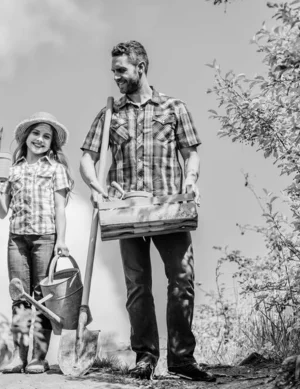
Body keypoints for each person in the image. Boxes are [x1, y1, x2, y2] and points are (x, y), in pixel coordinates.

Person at [79, 40, 214, 382]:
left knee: (181, 280)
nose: (116, 77)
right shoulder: (110, 114)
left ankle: (182, 359)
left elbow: (191, 152)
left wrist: (192, 180)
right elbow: (87, 158)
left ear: (141, 67)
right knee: (138, 286)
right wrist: (96, 188)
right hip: (126, 211)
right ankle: (145, 357)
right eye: (113, 71)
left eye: (121, 70)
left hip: (169, 207)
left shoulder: (174, 107)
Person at [0, 112, 73, 374]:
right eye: (36, 133)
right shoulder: (13, 171)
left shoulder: (56, 170)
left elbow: (60, 209)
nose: (40, 139)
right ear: (26, 137)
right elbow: (2, 212)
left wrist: (62, 241)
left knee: (42, 297)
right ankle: (18, 356)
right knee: (19, 297)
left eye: (47, 136)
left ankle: (38, 357)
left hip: (46, 238)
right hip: (17, 240)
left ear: (52, 144)